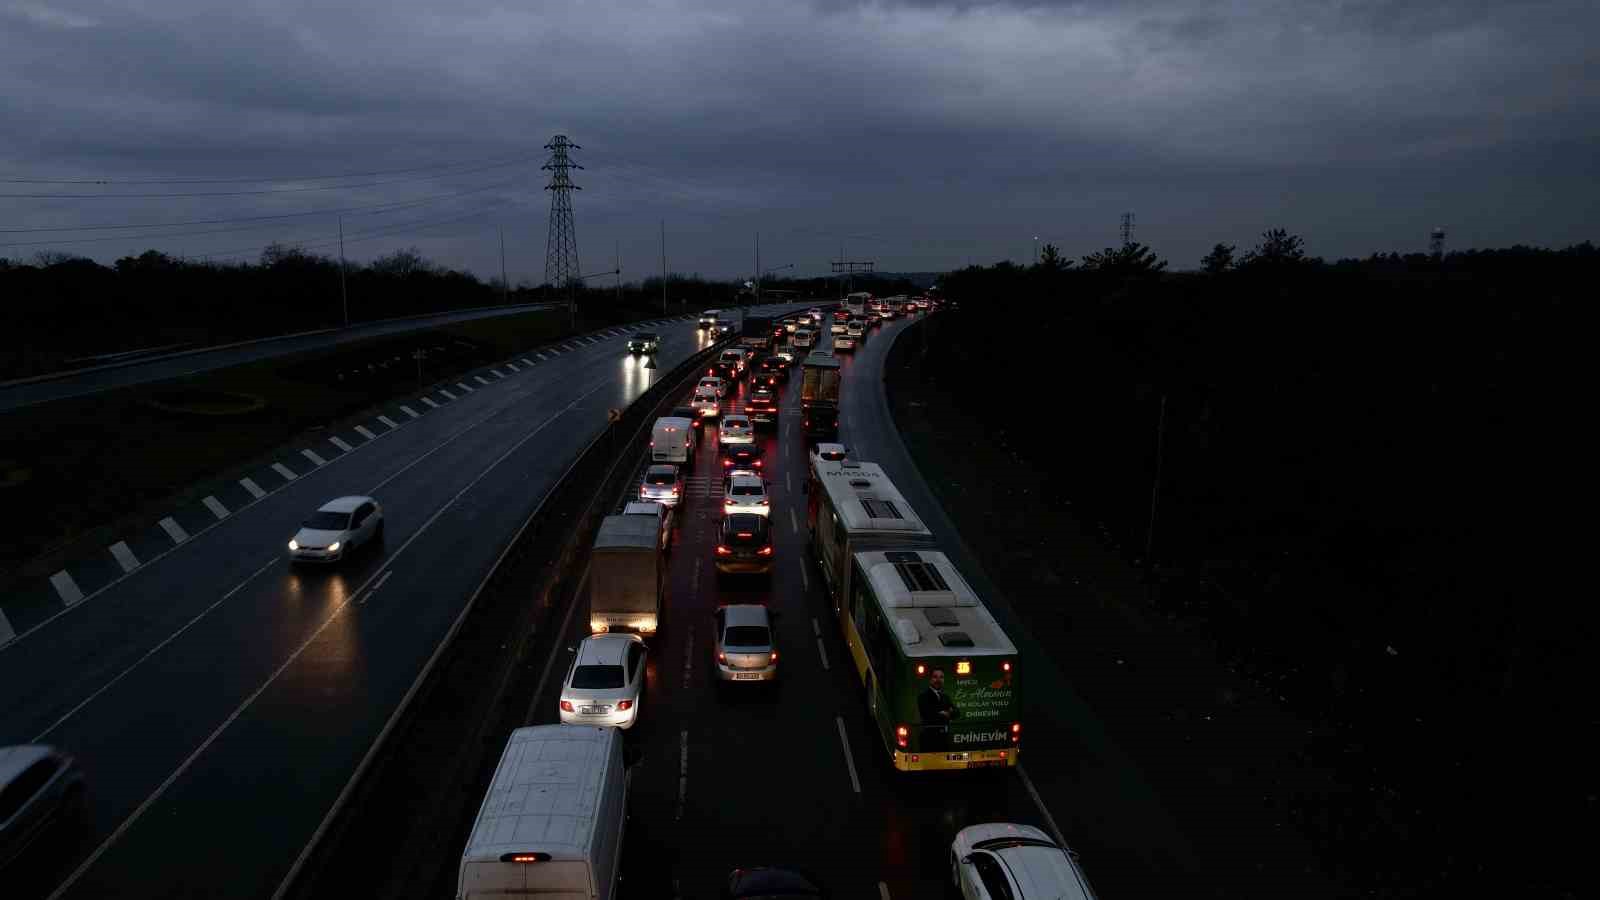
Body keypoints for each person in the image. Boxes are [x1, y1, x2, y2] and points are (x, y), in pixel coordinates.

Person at [918, 668, 959, 752]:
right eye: (935, 677)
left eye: (941, 677)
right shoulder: (923, 696)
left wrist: (944, 713)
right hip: (929, 741)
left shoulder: (945, 697)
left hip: (944, 740)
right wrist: (946, 713)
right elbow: (927, 714)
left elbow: (957, 713)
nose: (938, 680)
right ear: (930, 679)